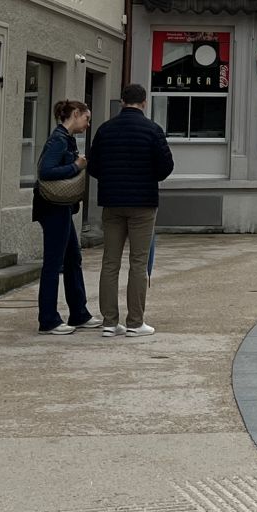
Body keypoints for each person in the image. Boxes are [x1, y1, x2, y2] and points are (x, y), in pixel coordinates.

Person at [87, 84, 174, 338]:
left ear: (123, 101)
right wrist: (148, 177)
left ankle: (109, 322)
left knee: (110, 262)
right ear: (144, 103)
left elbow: (94, 166)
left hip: (112, 202)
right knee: (138, 262)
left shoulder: (105, 129)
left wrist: (110, 179)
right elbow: (166, 166)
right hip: (143, 203)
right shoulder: (152, 130)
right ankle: (135, 322)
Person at [33, 100, 98, 334]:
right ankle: (48, 320)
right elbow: (45, 172)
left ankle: (79, 313)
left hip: (60, 208)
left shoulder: (65, 138)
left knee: (73, 258)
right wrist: (76, 166)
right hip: (52, 208)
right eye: (86, 118)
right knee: (54, 264)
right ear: (75, 113)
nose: (87, 124)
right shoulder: (58, 139)